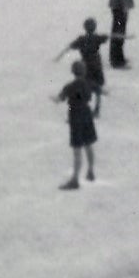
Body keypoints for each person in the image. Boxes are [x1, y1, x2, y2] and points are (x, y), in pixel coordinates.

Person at [53, 59, 100, 190]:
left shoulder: (70, 86)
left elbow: (61, 99)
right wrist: (97, 108)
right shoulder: (89, 83)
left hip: (76, 117)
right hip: (87, 114)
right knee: (89, 144)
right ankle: (90, 171)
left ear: (73, 72)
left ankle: (75, 180)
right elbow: (99, 91)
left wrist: (53, 98)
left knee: (77, 149)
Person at [56, 19, 111, 115]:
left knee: (85, 84)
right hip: (96, 64)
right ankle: (97, 109)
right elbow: (106, 38)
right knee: (97, 86)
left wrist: (59, 56)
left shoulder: (81, 39)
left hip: (86, 65)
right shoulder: (97, 38)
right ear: (94, 27)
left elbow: (70, 46)